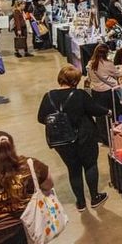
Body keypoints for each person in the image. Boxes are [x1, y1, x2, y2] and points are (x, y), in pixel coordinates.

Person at [36, 66, 110, 212]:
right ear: (75, 81)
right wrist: (108, 111)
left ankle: (81, 202)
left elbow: (41, 118)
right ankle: (95, 197)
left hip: (61, 142)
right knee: (90, 165)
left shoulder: (48, 96)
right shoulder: (80, 95)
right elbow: (95, 109)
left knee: (73, 169)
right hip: (84, 137)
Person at [87, 44, 121, 132]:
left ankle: (103, 136)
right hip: (107, 92)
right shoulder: (108, 63)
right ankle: (115, 134)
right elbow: (118, 74)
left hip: (95, 91)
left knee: (100, 115)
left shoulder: (90, 63)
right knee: (115, 113)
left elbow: (89, 78)